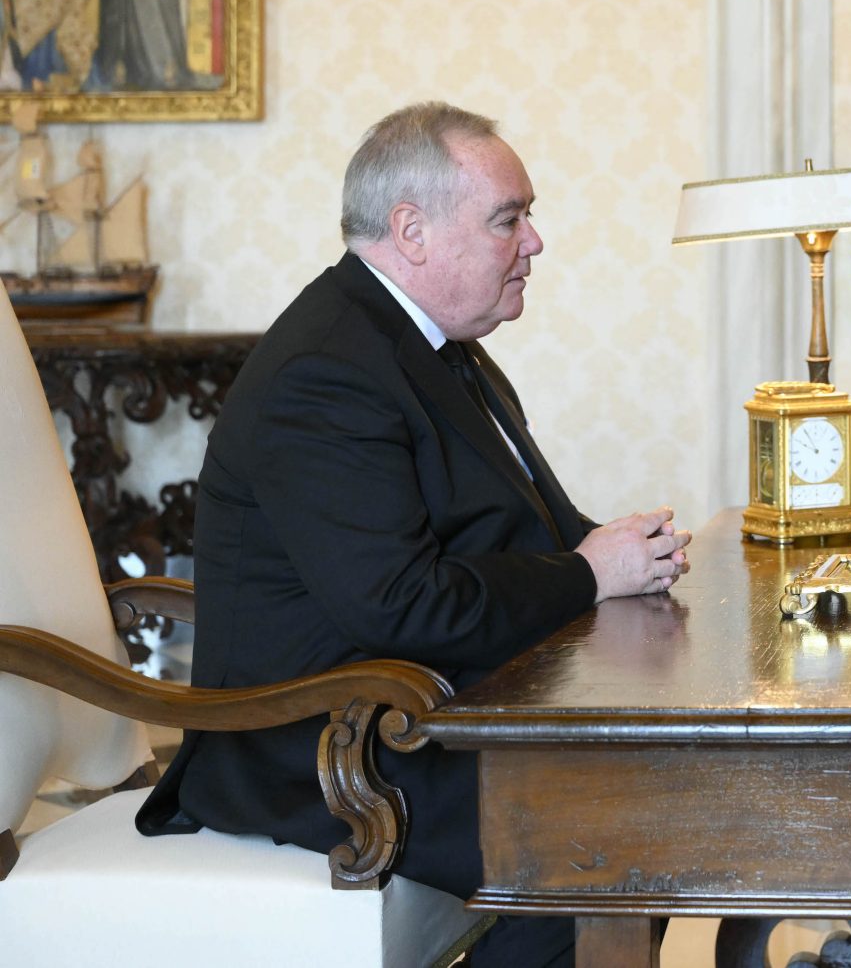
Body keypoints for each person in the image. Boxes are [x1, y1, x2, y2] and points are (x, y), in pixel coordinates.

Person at [136, 102, 690, 968]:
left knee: (653, 792)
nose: (535, 242)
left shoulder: (438, 343)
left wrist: (629, 554)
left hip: (421, 706)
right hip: (319, 745)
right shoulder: (325, 370)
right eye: (510, 219)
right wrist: (587, 575)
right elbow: (399, 603)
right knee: (598, 839)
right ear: (412, 231)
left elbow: (532, 529)